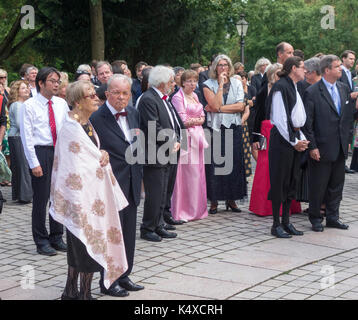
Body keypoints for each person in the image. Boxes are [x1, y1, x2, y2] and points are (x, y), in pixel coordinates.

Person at [49, 80, 128, 300]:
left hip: (92, 196)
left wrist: (102, 153)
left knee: (83, 245)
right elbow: (72, 167)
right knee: (83, 245)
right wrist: (97, 160)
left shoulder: (87, 123)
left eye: (95, 94)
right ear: (76, 101)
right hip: (79, 197)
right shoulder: (70, 128)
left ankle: (70, 291)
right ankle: (82, 294)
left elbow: (91, 153)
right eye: (90, 95)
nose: (96, 98)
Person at [90, 74, 145, 297]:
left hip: (131, 181)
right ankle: (108, 281)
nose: (121, 97)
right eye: (117, 93)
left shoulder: (133, 112)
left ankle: (124, 274)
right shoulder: (96, 117)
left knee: (129, 233)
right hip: (110, 183)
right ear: (107, 94)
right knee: (111, 233)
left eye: (125, 93)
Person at [20, 67, 69, 256]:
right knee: (41, 200)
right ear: (41, 83)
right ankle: (41, 240)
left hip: (59, 152)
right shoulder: (30, 105)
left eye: (58, 81)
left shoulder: (61, 104)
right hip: (42, 152)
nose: (56, 84)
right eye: (52, 81)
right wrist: (34, 163)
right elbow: (27, 137)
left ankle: (57, 236)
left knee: (58, 197)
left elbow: (66, 129)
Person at [303, 55, 353, 232]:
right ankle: (316, 218)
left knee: (336, 185)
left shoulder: (343, 88)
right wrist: (312, 146)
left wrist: (347, 140)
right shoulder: (313, 92)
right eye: (337, 66)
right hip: (321, 147)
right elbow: (308, 123)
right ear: (327, 70)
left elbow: (346, 118)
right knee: (319, 185)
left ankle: (333, 217)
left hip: (339, 146)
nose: (341, 69)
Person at [138, 65, 184, 242]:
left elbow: (174, 122)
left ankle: (158, 224)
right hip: (155, 152)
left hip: (168, 151)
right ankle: (148, 227)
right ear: (163, 82)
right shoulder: (148, 99)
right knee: (155, 192)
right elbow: (152, 127)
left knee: (164, 191)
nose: (174, 84)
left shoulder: (164, 98)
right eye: (172, 81)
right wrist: (172, 141)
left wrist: (179, 140)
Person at [249, 63, 302, 216]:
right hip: (267, 131)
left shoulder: (290, 88)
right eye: (278, 73)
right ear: (272, 74)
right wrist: (255, 138)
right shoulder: (263, 91)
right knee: (266, 168)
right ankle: (264, 206)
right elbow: (257, 116)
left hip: (287, 132)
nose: (281, 76)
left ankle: (288, 206)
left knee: (287, 169)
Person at [266, 57, 308, 238]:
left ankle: (286, 221)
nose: (305, 70)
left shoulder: (294, 86)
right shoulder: (280, 87)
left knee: (292, 181)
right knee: (280, 182)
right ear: (293, 68)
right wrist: (294, 141)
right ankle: (276, 224)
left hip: (294, 137)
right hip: (283, 141)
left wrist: (302, 138)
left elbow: (297, 116)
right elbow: (280, 119)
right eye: (302, 67)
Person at [203, 54, 247, 214]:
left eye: (226, 65)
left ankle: (232, 199)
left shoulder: (236, 82)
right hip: (215, 129)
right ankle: (214, 201)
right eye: (220, 65)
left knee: (234, 164)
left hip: (233, 127)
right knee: (216, 165)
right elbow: (213, 104)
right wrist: (220, 85)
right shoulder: (208, 84)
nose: (223, 68)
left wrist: (220, 109)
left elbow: (241, 106)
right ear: (215, 68)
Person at [171, 70, 208, 222]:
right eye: (190, 81)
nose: (193, 84)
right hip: (187, 138)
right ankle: (183, 210)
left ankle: (197, 208)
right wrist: (197, 120)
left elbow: (204, 116)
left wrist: (198, 120)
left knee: (198, 173)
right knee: (187, 173)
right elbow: (182, 120)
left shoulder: (195, 96)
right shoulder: (177, 97)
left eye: (195, 81)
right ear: (183, 82)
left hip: (198, 137)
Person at [7, 80, 33, 203]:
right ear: (17, 92)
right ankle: (25, 195)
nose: (26, 90)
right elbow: (19, 124)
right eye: (23, 88)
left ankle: (20, 194)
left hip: (16, 137)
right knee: (23, 166)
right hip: (18, 137)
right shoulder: (17, 105)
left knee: (19, 167)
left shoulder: (22, 104)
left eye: (26, 88)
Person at [338, 50, 358, 174]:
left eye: (353, 59)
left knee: (347, 136)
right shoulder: (340, 73)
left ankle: (343, 162)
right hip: (343, 108)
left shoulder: (349, 73)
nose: (352, 61)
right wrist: (351, 95)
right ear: (343, 59)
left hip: (350, 110)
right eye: (350, 58)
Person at [239, 71, 257, 162]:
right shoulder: (237, 90)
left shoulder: (252, 88)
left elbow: (255, 102)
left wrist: (248, 103)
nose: (241, 80)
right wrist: (249, 102)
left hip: (252, 119)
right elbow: (242, 105)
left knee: (253, 145)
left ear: (246, 79)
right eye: (240, 78)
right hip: (243, 119)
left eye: (243, 78)